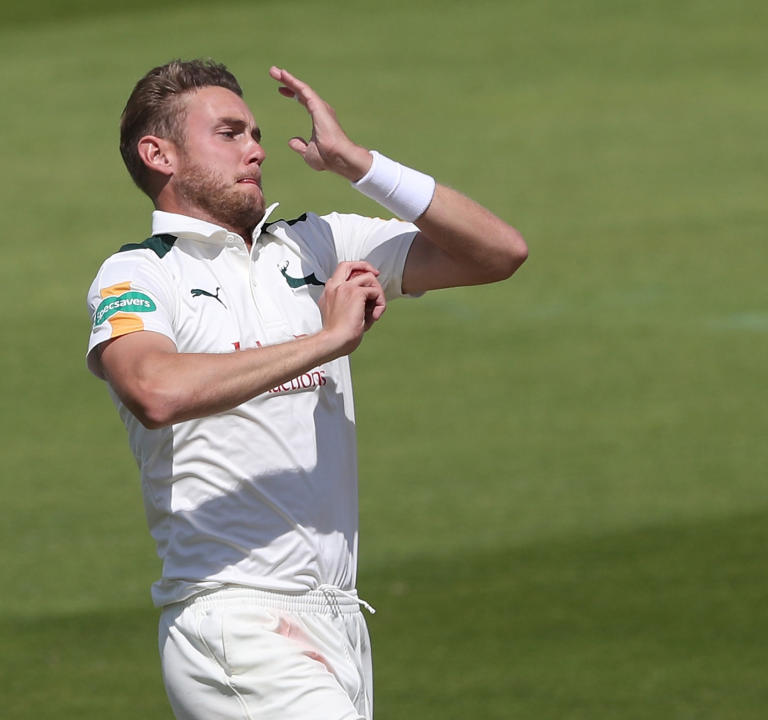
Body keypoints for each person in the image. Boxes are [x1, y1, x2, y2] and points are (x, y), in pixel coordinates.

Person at [85, 58, 526, 720]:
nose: (256, 149)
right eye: (230, 133)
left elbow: (497, 252)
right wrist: (325, 341)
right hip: (234, 617)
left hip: (339, 617)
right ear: (160, 154)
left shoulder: (313, 245)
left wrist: (360, 165)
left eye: (257, 133)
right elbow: (154, 390)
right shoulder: (139, 275)